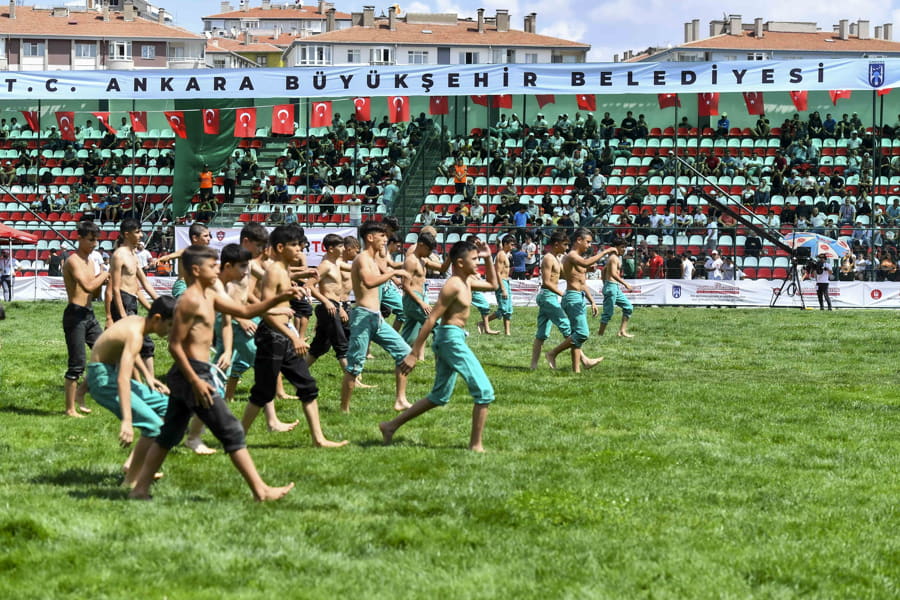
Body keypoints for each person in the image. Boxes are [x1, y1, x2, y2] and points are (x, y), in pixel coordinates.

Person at [381, 239, 498, 452]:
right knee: (484, 392)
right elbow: (431, 318)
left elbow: (493, 285)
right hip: (450, 339)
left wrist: (489, 257)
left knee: (439, 396)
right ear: (460, 263)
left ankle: (390, 426)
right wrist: (415, 352)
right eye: (474, 259)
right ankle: (476, 445)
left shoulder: (467, 281)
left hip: (453, 338)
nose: (477, 262)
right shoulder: (453, 284)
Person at [239, 227, 347, 448]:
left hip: (283, 337)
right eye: (295, 245)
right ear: (280, 248)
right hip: (272, 337)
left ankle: (319, 439)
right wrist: (294, 337)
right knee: (262, 393)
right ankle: (236, 438)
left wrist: (302, 275)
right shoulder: (274, 271)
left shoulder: (282, 270)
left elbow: (285, 279)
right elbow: (266, 311)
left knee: (307, 386)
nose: (300, 249)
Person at [86, 296, 174, 487]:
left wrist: (148, 377)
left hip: (107, 373)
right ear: (157, 318)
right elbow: (123, 379)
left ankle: (131, 464)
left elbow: (131, 353)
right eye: (169, 325)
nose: (169, 331)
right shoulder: (135, 334)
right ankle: (131, 481)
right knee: (154, 427)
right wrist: (127, 421)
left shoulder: (137, 322)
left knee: (169, 407)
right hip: (103, 380)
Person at [341, 220, 413, 413]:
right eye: (381, 235)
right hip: (362, 317)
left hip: (376, 318)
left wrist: (393, 271)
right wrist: (393, 274)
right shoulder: (362, 259)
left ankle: (400, 399)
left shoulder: (373, 260)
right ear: (369, 238)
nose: (385, 238)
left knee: (405, 353)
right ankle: (344, 410)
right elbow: (370, 282)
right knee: (355, 366)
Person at [62, 221, 110, 417]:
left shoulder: (91, 262)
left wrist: (103, 281)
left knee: (106, 354)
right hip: (75, 315)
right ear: (79, 238)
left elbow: (95, 291)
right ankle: (69, 409)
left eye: (96, 240)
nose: (94, 244)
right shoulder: (72, 261)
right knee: (77, 363)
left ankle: (81, 393)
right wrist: (105, 273)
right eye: (90, 240)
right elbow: (87, 286)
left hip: (89, 314)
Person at [109, 219, 159, 372]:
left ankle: (122, 381)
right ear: (126, 234)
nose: (141, 235)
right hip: (123, 302)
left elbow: (144, 283)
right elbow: (115, 288)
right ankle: (150, 385)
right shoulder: (119, 256)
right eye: (137, 232)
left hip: (132, 301)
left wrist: (160, 303)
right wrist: (123, 314)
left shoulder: (134, 255)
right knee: (144, 344)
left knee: (127, 347)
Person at [560, 229, 614, 373]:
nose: (589, 245)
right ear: (579, 240)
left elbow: (582, 282)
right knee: (582, 334)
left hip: (577, 297)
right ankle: (552, 353)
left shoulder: (576, 258)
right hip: (572, 297)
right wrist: (605, 252)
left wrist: (592, 301)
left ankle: (577, 369)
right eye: (588, 242)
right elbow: (584, 263)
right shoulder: (572, 255)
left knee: (576, 335)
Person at [400, 232, 437, 359]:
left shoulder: (423, 260)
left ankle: (399, 352)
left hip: (416, 298)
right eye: (429, 249)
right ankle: (445, 353)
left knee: (408, 335)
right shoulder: (411, 261)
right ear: (420, 245)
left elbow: (442, 268)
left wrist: (452, 257)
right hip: (413, 299)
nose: (430, 253)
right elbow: (405, 285)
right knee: (435, 323)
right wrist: (421, 303)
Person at [598, 239, 634, 338]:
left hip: (614, 287)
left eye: (625, 247)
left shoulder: (615, 258)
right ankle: (600, 335)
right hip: (612, 287)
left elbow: (604, 270)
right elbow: (613, 274)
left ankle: (622, 331)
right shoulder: (613, 258)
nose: (624, 249)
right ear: (615, 247)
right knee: (608, 313)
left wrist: (605, 283)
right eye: (622, 247)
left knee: (628, 307)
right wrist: (625, 284)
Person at [486, 234, 514, 336]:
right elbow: (497, 272)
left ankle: (507, 332)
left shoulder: (505, 254)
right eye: (511, 244)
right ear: (505, 244)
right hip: (502, 282)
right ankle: (483, 323)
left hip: (506, 281)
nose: (513, 246)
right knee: (503, 309)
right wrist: (503, 288)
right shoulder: (501, 255)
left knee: (509, 310)